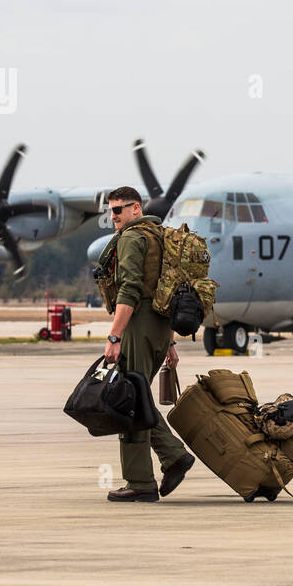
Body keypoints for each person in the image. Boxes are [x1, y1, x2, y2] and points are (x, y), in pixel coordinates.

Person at [95, 187, 195, 502]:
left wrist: (115, 336)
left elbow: (131, 290)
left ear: (136, 208)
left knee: (128, 401)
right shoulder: (161, 236)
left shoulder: (132, 238)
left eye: (118, 210)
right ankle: (171, 458)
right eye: (110, 211)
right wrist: (169, 343)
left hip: (138, 327)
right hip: (161, 329)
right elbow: (167, 289)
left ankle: (143, 480)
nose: (113, 217)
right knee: (138, 398)